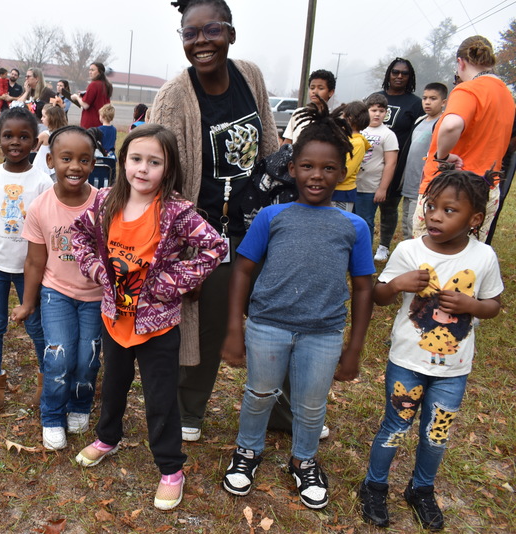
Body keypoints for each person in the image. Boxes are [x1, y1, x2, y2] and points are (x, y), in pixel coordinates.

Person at [220, 104, 374, 509]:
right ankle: (248, 451)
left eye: (327, 168)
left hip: (322, 333)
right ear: (293, 170)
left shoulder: (354, 226)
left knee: (310, 404)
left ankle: (304, 459)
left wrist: (354, 348)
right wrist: (235, 328)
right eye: (307, 166)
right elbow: (242, 270)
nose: (316, 176)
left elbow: (362, 288)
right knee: (259, 393)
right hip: (268, 325)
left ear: (342, 172)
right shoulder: (272, 216)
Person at [71, 124, 227, 511]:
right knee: (115, 385)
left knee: (161, 398)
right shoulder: (104, 201)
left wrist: (171, 283)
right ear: (123, 161)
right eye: (136, 159)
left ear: (168, 168)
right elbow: (79, 237)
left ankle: (172, 469)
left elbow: (215, 247)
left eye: (154, 162)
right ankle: (108, 437)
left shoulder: (177, 212)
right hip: (114, 319)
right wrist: (95, 271)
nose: (143, 169)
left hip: (157, 326)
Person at [151, 0, 279, 443]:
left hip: (257, 226)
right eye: (191, 34)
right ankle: (190, 407)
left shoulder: (251, 76)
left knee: (273, 320)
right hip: (206, 236)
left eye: (212, 31)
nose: (202, 42)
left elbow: (268, 148)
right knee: (204, 325)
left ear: (231, 33)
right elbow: (161, 180)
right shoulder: (173, 97)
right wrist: (181, 250)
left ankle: (280, 408)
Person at [359, 170, 503, 531]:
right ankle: (374, 485)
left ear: (474, 219)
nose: (436, 216)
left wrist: (470, 304)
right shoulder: (410, 250)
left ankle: (421, 489)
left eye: (449, 210)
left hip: (454, 369)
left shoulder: (483, 257)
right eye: (431, 207)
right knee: (395, 426)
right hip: (407, 362)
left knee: (436, 434)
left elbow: (494, 305)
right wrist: (397, 284)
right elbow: (378, 296)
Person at [10, 126, 102, 451]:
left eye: (84, 159)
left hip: (95, 297)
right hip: (56, 294)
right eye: (66, 158)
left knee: (87, 359)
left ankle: (79, 404)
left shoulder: (104, 205)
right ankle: (51, 415)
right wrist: (28, 302)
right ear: (50, 160)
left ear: (93, 164)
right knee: (59, 356)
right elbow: (35, 262)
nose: (74, 166)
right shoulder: (40, 207)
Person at [0, 107, 53, 410]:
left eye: (24, 136)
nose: (15, 142)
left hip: (29, 269)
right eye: (8, 136)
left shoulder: (43, 182)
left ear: (35, 142)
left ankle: (47, 380)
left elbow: (47, 233)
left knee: (36, 326)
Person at [415, 36, 516, 243]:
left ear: (461, 62)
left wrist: (442, 156)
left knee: (428, 251)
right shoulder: (506, 95)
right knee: (469, 254)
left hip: (450, 187)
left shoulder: (468, 88)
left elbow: (451, 124)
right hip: (487, 187)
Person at [374, 58, 423, 262]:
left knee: (389, 206)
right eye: (395, 72)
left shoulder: (415, 103)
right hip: (370, 162)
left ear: (410, 77)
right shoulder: (376, 97)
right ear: (389, 74)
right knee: (366, 206)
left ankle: (384, 246)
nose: (399, 76)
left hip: (397, 164)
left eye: (404, 73)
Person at [399, 83, 447, 239]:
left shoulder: (443, 123)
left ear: (444, 102)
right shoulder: (419, 120)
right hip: (410, 181)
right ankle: (408, 255)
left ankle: (417, 257)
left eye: (433, 98)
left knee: (416, 224)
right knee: (406, 220)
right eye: (425, 98)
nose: (427, 102)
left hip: (425, 184)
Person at [355, 93, 399, 245]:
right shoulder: (358, 129)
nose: (377, 114)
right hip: (351, 184)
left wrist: (382, 188)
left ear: (386, 113)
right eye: (373, 110)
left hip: (370, 188)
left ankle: (364, 255)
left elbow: (390, 163)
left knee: (365, 222)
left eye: (381, 111)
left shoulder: (388, 135)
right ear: (366, 110)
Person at [331, 101, 370, 211]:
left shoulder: (358, 143)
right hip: (331, 188)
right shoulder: (342, 137)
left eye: (345, 116)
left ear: (352, 118)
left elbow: (346, 171)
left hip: (342, 193)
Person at [282, 69, 336, 144]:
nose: (315, 91)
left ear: (330, 92)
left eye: (320, 88)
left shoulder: (333, 120)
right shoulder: (298, 114)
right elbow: (287, 143)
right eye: (312, 88)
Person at [71, 63, 112, 129]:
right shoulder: (107, 85)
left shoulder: (93, 85)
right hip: (102, 122)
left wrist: (76, 97)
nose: (90, 72)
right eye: (89, 70)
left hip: (91, 123)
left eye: (92, 70)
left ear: (100, 72)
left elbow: (85, 105)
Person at [33, 105, 68, 177]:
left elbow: (33, 148)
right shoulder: (64, 133)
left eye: (44, 116)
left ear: (52, 119)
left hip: (42, 167)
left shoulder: (45, 135)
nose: (41, 119)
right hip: (55, 167)